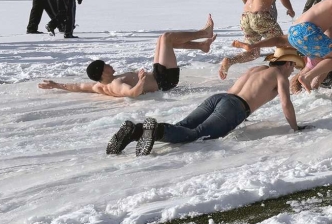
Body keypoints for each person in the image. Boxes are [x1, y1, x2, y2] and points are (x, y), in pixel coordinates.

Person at [106, 47, 303, 157]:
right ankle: (155, 130)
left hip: (220, 98)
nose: (293, 69)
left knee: (183, 126)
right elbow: (286, 104)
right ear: (287, 63)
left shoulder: (256, 70)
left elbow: (249, 91)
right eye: (293, 65)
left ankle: (137, 130)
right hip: (234, 107)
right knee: (195, 135)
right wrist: (296, 128)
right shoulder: (280, 77)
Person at [39, 16, 217, 97]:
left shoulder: (99, 85)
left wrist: (56, 85)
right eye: (106, 65)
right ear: (103, 73)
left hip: (157, 74)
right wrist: (140, 82)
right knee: (167, 38)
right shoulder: (116, 85)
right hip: (165, 81)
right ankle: (204, 33)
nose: (110, 65)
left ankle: (202, 45)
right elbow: (131, 94)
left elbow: (79, 86)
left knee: (162, 40)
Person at [219, 0, 295, 79]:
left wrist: (251, 9)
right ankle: (281, 74)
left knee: (253, 53)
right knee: (282, 42)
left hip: (245, 17)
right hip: (260, 17)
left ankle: (230, 61)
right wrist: (290, 9)